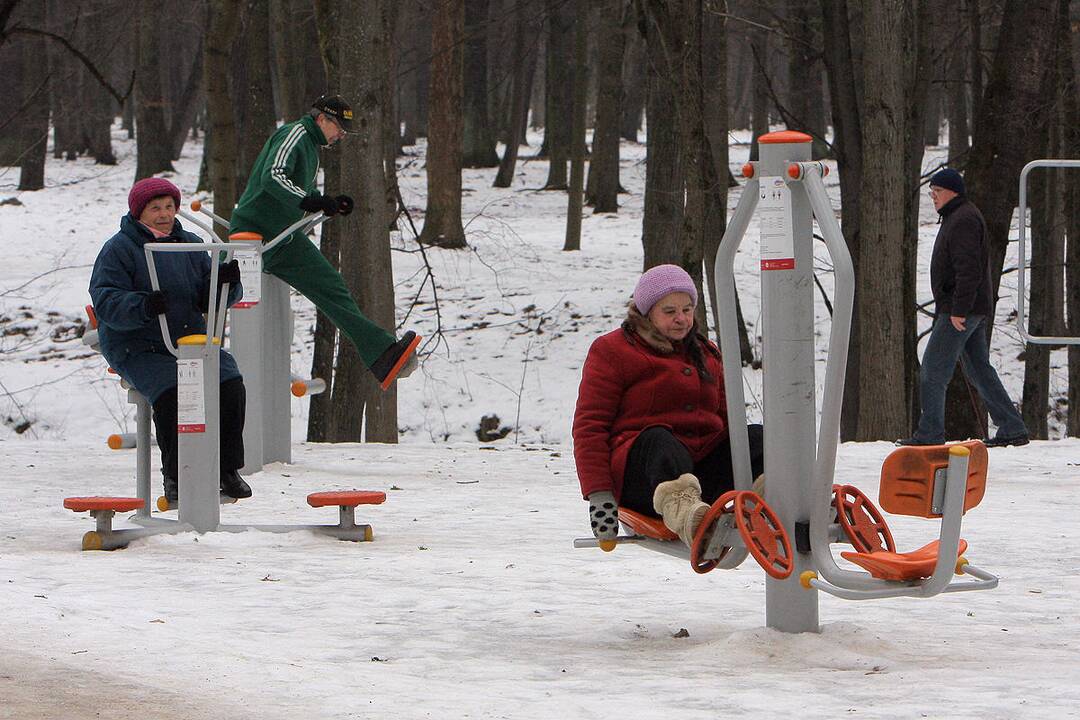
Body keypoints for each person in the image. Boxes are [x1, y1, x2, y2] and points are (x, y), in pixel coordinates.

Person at [229, 94, 419, 390]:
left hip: (282, 236)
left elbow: (297, 194)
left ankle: (382, 354)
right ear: (322, 119)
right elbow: (273, 177)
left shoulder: (311, 148)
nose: (341, 135)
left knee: (332, 287)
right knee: (217, 291)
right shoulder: (294, 134)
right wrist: (310, 199)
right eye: (339, 128)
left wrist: (328, 204)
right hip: (256, 234)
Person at [573, 264, 764, 548]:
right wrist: (600, 495)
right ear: (647, 312)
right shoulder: (614, 350)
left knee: (755, 437)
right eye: (670, 311)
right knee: (659, 440)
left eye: (687, 310)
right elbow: (590, 426)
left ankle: (773, 498)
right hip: (645, 479)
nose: (681, 319)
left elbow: (725, 422)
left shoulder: (705, 353)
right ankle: (685, 513)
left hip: (699, 475)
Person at [89, 177, 252, 503]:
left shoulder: (189, 244)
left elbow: (209, 297)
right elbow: (105, 300)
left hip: (187, 339)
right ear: (139, 212)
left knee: (230, 383)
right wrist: (144, 305)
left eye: (168, 207)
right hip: (138, 343)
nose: (164, 214)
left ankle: (227, 469)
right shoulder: (119, 249)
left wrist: (226, 285)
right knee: (175, 392)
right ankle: (176, 476)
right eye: (155, 208)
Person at [898, 168, 1029, 448]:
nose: (933, 197)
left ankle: (930, 433)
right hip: (969, 307)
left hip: (961, 310)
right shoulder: (958, 216)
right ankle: (1011, 426)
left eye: (938, 192)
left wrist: (959, 309)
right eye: (931, 192)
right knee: (979, 369)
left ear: (953, 192)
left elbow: (968, 269)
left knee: (933, 371)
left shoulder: (963, 219)